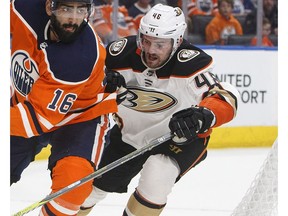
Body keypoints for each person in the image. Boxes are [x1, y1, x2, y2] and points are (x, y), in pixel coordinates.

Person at [78, 4, 239, 216]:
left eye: (160, 44)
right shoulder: (119, 55)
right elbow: (82, 85)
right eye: (146, 41)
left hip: (177, 140)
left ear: (177, 42)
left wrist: (203, 116)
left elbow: (226, 97)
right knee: (89, 191)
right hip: (131, 135)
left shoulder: (190, 63)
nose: (151, 50)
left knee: (158, 174)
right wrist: (103, 84)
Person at [10, 0, 125, 215]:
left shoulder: (81, 56)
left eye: (81, 10)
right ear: (48, 7)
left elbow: (34, 120)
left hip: (82, 117)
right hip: (30, 101)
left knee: (72, 188)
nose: (74, 18)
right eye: (66, 9)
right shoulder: (22, 8)